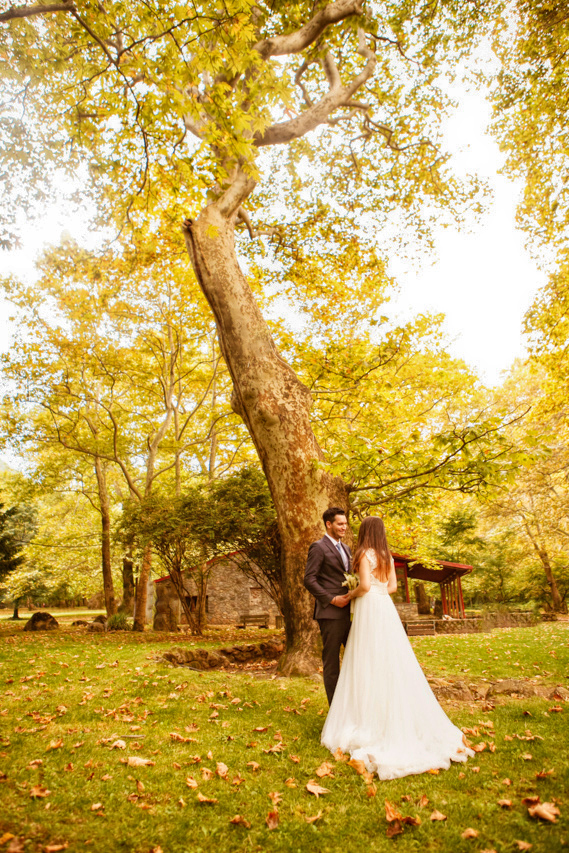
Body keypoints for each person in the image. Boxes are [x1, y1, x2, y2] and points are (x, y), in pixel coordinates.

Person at [320, 516, 473, 780]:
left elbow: (365, 586)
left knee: (365, 661)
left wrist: (351, 593)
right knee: (391, 660)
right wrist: (372, 590)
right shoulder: (386, 556)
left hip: (368, 609)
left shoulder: (363, 554)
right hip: (385, 610)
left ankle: (366, 716)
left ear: (366, 532)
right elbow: (391, 587)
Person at [304, 507, 352, 705]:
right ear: (329, 524)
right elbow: (309, 579)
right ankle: (335, 710)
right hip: (330, 614)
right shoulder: (318, 547)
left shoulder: (347, 548)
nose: (344, 527)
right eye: (340, 524)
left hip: (350, 613)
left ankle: (352, 705)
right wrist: (332, 599)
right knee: (332, 663)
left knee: (355, 658)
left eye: (345, 523)